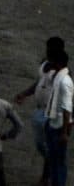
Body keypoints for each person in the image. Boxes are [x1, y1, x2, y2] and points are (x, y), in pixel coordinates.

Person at [35, 44, 71, 186]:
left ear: (57, 63)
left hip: (59, 126)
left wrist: (64, 132)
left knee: (58, 161)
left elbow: (67, 109)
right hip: (53, 123)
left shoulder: (64, 81)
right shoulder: (58, 77)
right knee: (53, 158)